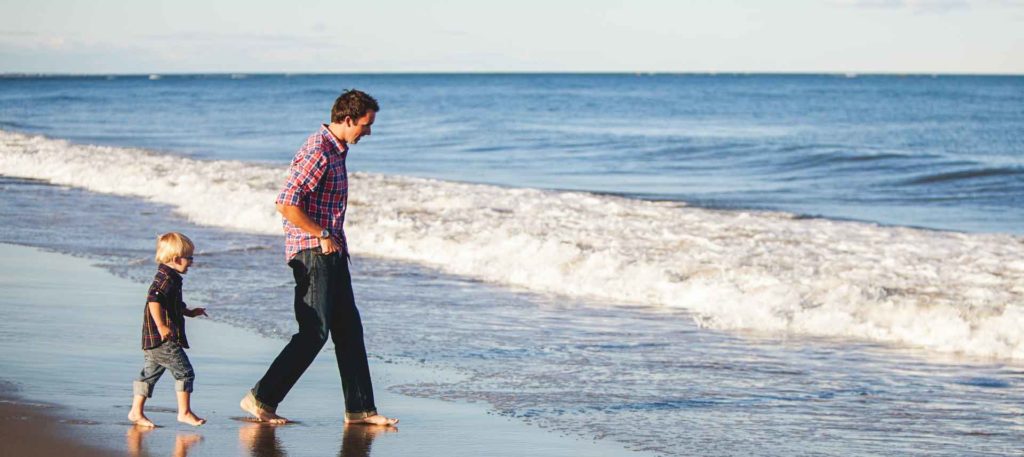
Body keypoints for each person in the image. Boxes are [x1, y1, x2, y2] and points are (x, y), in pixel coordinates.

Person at [240, 89, 398, 426]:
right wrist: (321, 234)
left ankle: (360, 410)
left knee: (349, 331)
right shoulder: (318, 151)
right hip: (313, 251)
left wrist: (331, 239)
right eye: (366, 125)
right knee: (315, 331)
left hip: (331, 250)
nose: (368, 131)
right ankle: (261, 398)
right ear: (347, 119)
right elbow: (286, 201)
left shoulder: (336, 150)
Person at [128, 232, 208, 427]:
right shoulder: (166, 278)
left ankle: (136, 412)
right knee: (185, 372)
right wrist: (162, 326)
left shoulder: (169, 276)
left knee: (149, 374)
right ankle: (184, 412)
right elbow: (154, 300)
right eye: (189, 258)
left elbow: (170, 304)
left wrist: (189, 312)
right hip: (163, 338)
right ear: (175, 259)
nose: (191, 262)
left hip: (152, 339)